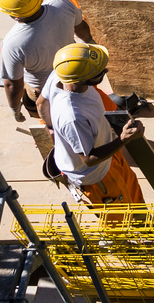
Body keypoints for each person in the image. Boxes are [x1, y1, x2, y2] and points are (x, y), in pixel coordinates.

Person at [38, 43, 146, 209]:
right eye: (100, 71)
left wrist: (52, 129)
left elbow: (41, 103)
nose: (105, 71)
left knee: (133, 194)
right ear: (82, 79)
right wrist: (123, 139)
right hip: (96, 177)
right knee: (118, 217)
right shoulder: (73, 116)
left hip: (108, 155)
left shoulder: (61, 75)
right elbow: (88, 159)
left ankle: (143, 222)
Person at [0, 0, 91, 123]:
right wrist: (89, 42)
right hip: (74, 74)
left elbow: (13, 84)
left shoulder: (13, 43)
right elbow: (81, 28)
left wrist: (15, 108)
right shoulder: (61, 3)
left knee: (51, 121)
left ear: (15, 15)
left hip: (44, 92)